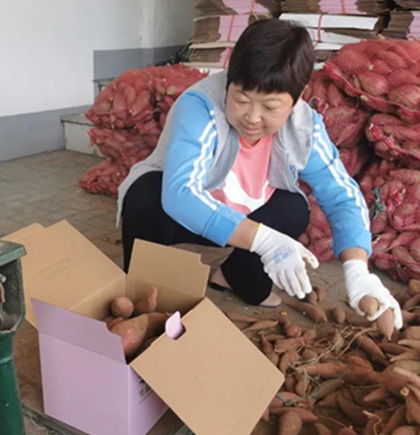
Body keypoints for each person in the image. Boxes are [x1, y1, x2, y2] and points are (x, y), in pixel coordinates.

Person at [116, 19, 402, 328]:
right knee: (145, 193)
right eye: (241, 100)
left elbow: (342, 195)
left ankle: (233, 275)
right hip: (179, 216)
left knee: (293, 208)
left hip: (242, 221)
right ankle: (142, 280)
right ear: (229, 81)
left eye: (270, 107)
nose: (252, 117)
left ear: (296, 99)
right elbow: (181, 195)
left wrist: (358, 271)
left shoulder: (304, 127)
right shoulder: (200, 106)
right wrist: (264, 240)